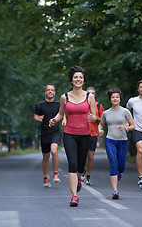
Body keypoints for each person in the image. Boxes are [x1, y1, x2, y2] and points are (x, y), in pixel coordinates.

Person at [49, 65, 96, 207]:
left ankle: (79, 177)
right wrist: (54, 120)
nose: (78, 79)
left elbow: (94, 116)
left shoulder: (90, 96)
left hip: (85, 134)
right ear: (71, 80)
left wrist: (91, 118)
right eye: (75, 77)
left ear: (83, 80)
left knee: (80, 167)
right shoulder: (65, 97)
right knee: (73, 164)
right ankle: (74, 196)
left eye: (80, 77)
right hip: (69, 133)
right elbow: (61, 114)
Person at [98, 88, 135, 199]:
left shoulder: (125, 112)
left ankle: (118, 172)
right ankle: (115, 190)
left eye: (117, 97)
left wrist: (127, 128)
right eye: (113, 97)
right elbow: (101, 124)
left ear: (120, 99)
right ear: (110, 99)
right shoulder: (106, 113)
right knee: (113, 163)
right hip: (110, 140)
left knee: (121, 166)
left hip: (123, 141)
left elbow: (133, 126)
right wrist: (100, 130)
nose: (115, 99)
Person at [34, 83, 63, 188]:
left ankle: (56, 173)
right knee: (45, 156)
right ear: (45, 92)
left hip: (55, 131)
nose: (50, 91)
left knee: (54, 150)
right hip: (44, 133)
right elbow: (35, 116)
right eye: (48, 90)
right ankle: (45, 176)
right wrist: (39, 119)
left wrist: (64, 121)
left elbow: (63, 114)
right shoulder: (40, 104)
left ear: (54, 92)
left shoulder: (59, 104)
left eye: (52, 90)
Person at [80, 87, 105, 186]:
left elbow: (103, 120)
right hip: (81, 133)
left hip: (93, 134)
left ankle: (88, 175)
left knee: (90, 156)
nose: (91, 94)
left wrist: (95, 118)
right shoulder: (81, 105)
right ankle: (83, 171)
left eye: (93, 93)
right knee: (82, 155)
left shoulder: (98, 105)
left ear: (95, 95)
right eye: (89, 93)